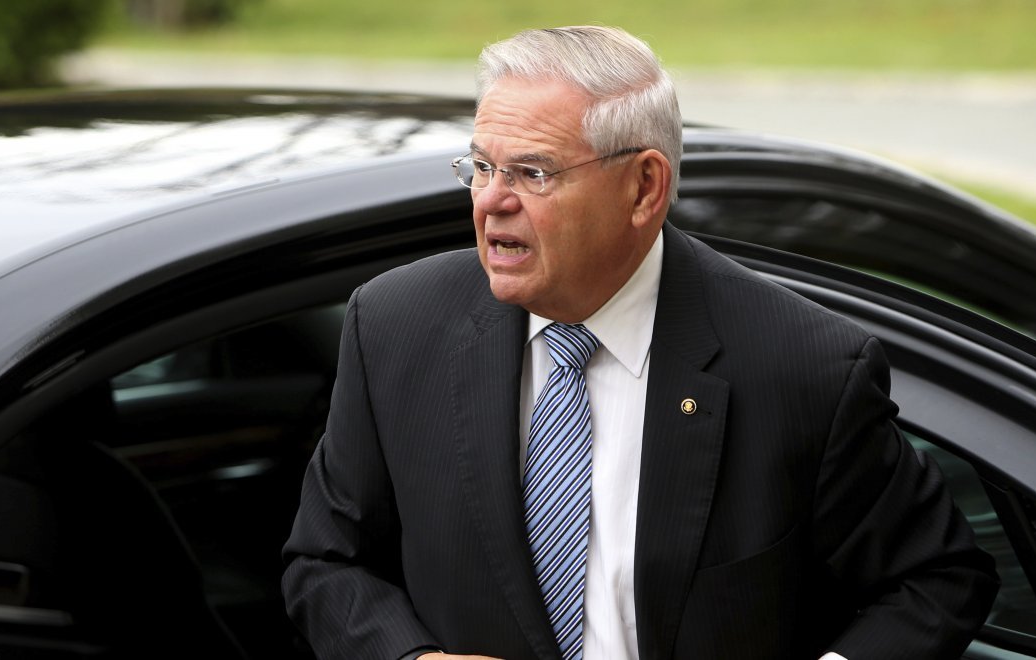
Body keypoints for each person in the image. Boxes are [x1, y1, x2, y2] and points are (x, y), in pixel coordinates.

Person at [282, 25, 998, 660]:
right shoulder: (395, 325)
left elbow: (937, 580)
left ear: (644, 188)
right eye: (481, 167)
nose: (491, 200)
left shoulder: (803, 365)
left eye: (533, 172)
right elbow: (325, 562)